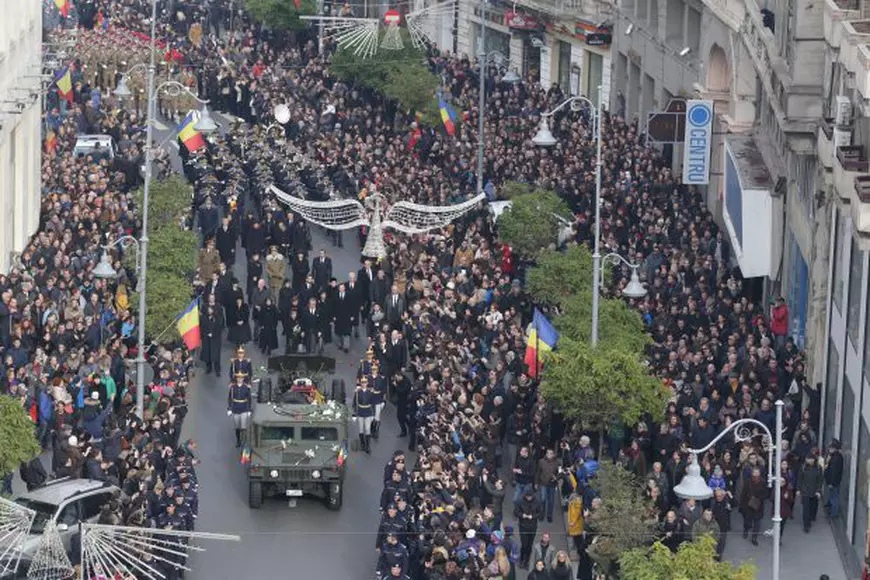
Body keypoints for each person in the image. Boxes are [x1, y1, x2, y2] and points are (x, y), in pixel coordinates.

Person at [514, 490, 541, 569]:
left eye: (530, 496)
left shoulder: (537, 502)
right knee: (524, 544)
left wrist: (532, 516)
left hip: (533, 526)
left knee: (529, 545)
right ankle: (522, 560)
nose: (528, 498)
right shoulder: (520, 501)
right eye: (527, 496)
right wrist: (522, 515)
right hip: (523, 526)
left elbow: (540, 513)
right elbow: (515, 512)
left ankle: (527, 561)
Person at [798, 452, 824, 533]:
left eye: (811, 459)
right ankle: (806, 525)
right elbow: (800, 479)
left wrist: (818, 491)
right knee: (806, 508)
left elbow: (820, 480)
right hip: (805, 491)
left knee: (812, 507)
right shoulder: (803, 468)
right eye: (808, 459)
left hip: (814, 491)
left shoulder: (818, 468)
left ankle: (810, 518)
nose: (809, 461)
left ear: (814, 460)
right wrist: (798, 489)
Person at [227, 373, 252, 448]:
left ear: (243, 379)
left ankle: (244, 440)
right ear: (237, 379)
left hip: (244, 408)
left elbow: (249, 399)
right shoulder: (232, 388)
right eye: (238, 378)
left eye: (241, 378)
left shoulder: (246, 388)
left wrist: (249, 409)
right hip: (235, 408)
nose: (240, 379)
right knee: (237, 426)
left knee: (243, 426)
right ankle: (238, 440)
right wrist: (229, 408)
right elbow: (230, 398)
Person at [200, 303, 224, 376]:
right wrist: (204, 335)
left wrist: (213, 334)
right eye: (208, 310)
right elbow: (202, 327)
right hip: (206, 339)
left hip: (215, 339)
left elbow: (220, 328)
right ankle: (209, 368)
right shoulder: (204, 318)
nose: (209, 311)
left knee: (216, 355)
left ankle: (217, 370)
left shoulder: (217, 318)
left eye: (211, 310)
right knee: (208, 354)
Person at [353, 377, 375, 453]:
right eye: (362, 382)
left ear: (367, 383)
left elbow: (373, 403)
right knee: (361, 429)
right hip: (360, 412)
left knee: (367, 429)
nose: (364, 384)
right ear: (361, 383)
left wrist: (373, 415)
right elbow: (354, 404)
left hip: (368, 412)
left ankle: (367, 446)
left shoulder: (370, 392)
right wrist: (354, 414)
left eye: (365, 382)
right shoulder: (357, 392)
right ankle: (362, 443)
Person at [824, 438, 844, 519]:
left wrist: (831, 483)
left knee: (834, 497)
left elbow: (834, 472)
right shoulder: (836, 456)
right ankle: (832, 510)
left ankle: (833, 514)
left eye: (831, 448)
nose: (829, 449)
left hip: (833, 482)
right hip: (835, 481)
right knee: (833, 496)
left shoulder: (835, 458)